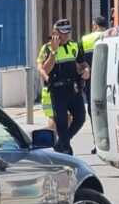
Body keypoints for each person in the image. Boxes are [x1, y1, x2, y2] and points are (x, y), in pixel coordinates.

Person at [37, 19, 90, 155]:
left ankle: (61, 143)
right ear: (55, 33)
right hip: (57, 91)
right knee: (60, 122)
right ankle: (65, 148)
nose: (66, 36)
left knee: (80, 118)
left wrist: (86, 70)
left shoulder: (74, 46)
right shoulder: (47, 48)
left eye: (68, 33)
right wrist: (54, 52)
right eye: (63, 33)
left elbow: (82, 64)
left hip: (73, 89)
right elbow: (45, 69)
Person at [82, 16, 107, 154]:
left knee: (94, 112)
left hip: (92, 82)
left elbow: (80, 62)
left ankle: (98, 143)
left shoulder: (86, 39)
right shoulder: (112, 36)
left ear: (95, 25)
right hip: (110, 81)